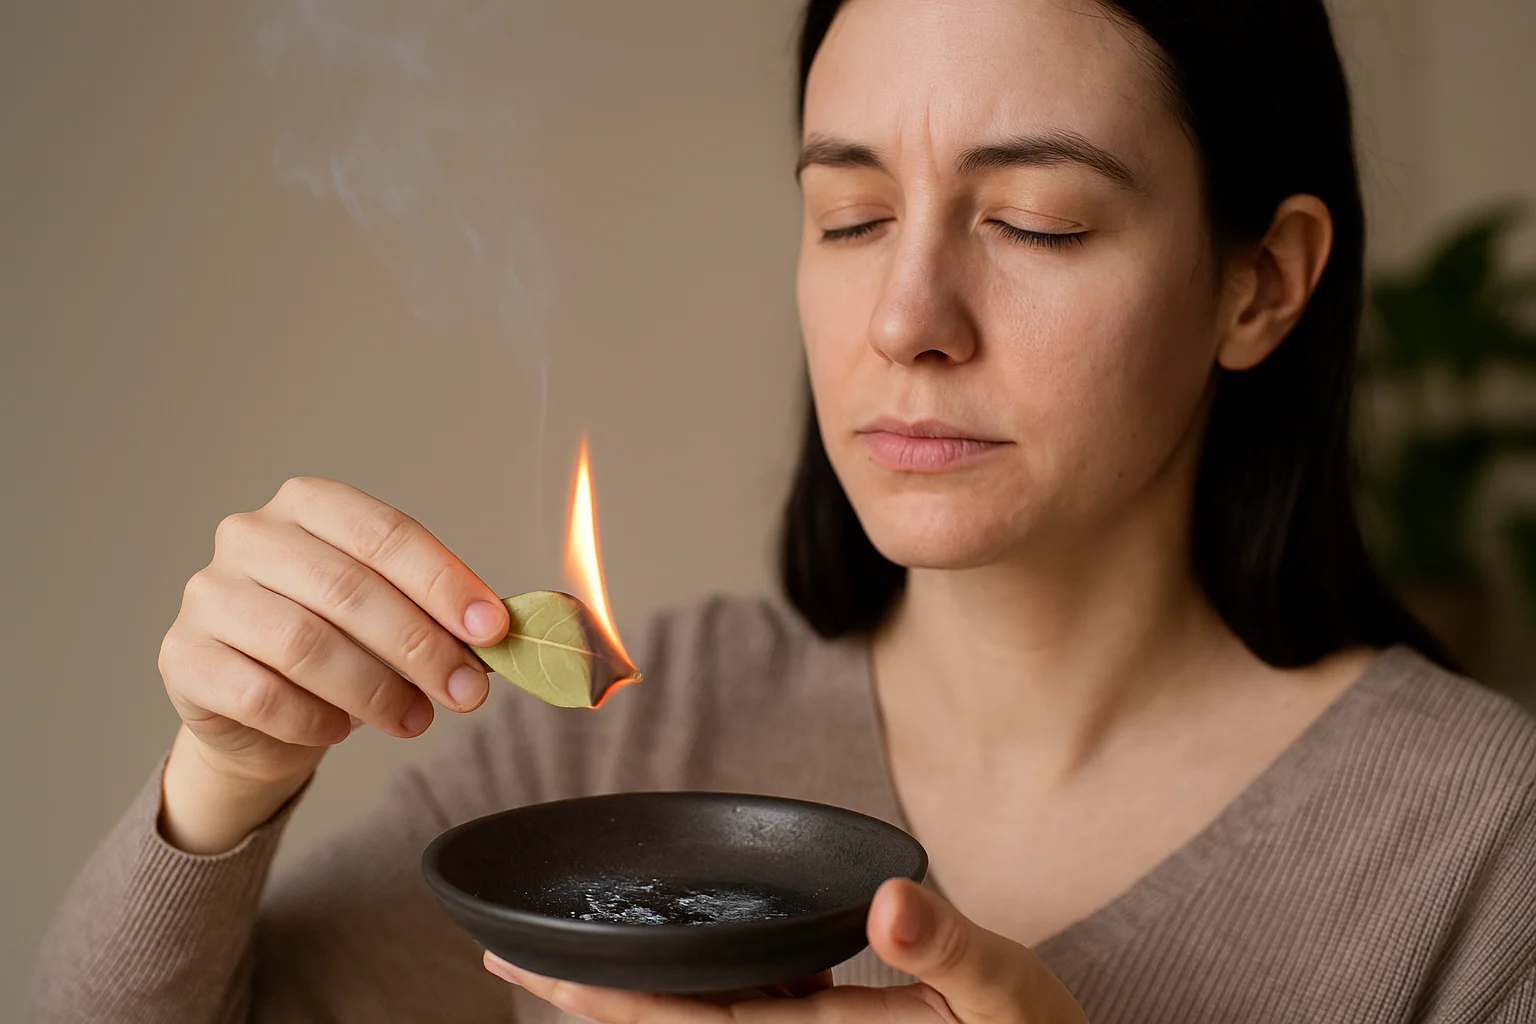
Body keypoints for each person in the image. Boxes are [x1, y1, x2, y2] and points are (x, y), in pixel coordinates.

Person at [30, 0, 1536, 1021]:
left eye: (1036, 222)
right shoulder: (619, 743)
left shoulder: (1483, 850)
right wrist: (219, 781)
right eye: (851, 215)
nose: (908, 318)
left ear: (1259, 281)